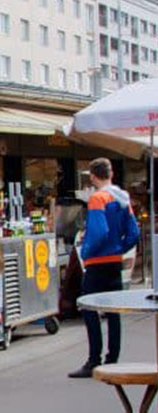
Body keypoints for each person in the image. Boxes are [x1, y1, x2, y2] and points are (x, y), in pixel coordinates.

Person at [69, 158, 140, 378]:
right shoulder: (123, 199)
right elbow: (134, 233)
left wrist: (87, 251)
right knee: (114, 311)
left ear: (92, 176)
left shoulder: (98, 198)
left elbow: (98, 231)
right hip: (114, 261)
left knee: (89, 308)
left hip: (97, 263)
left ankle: (93, 360)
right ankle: (113, 358)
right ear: (111, 174)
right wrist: (120, 247)